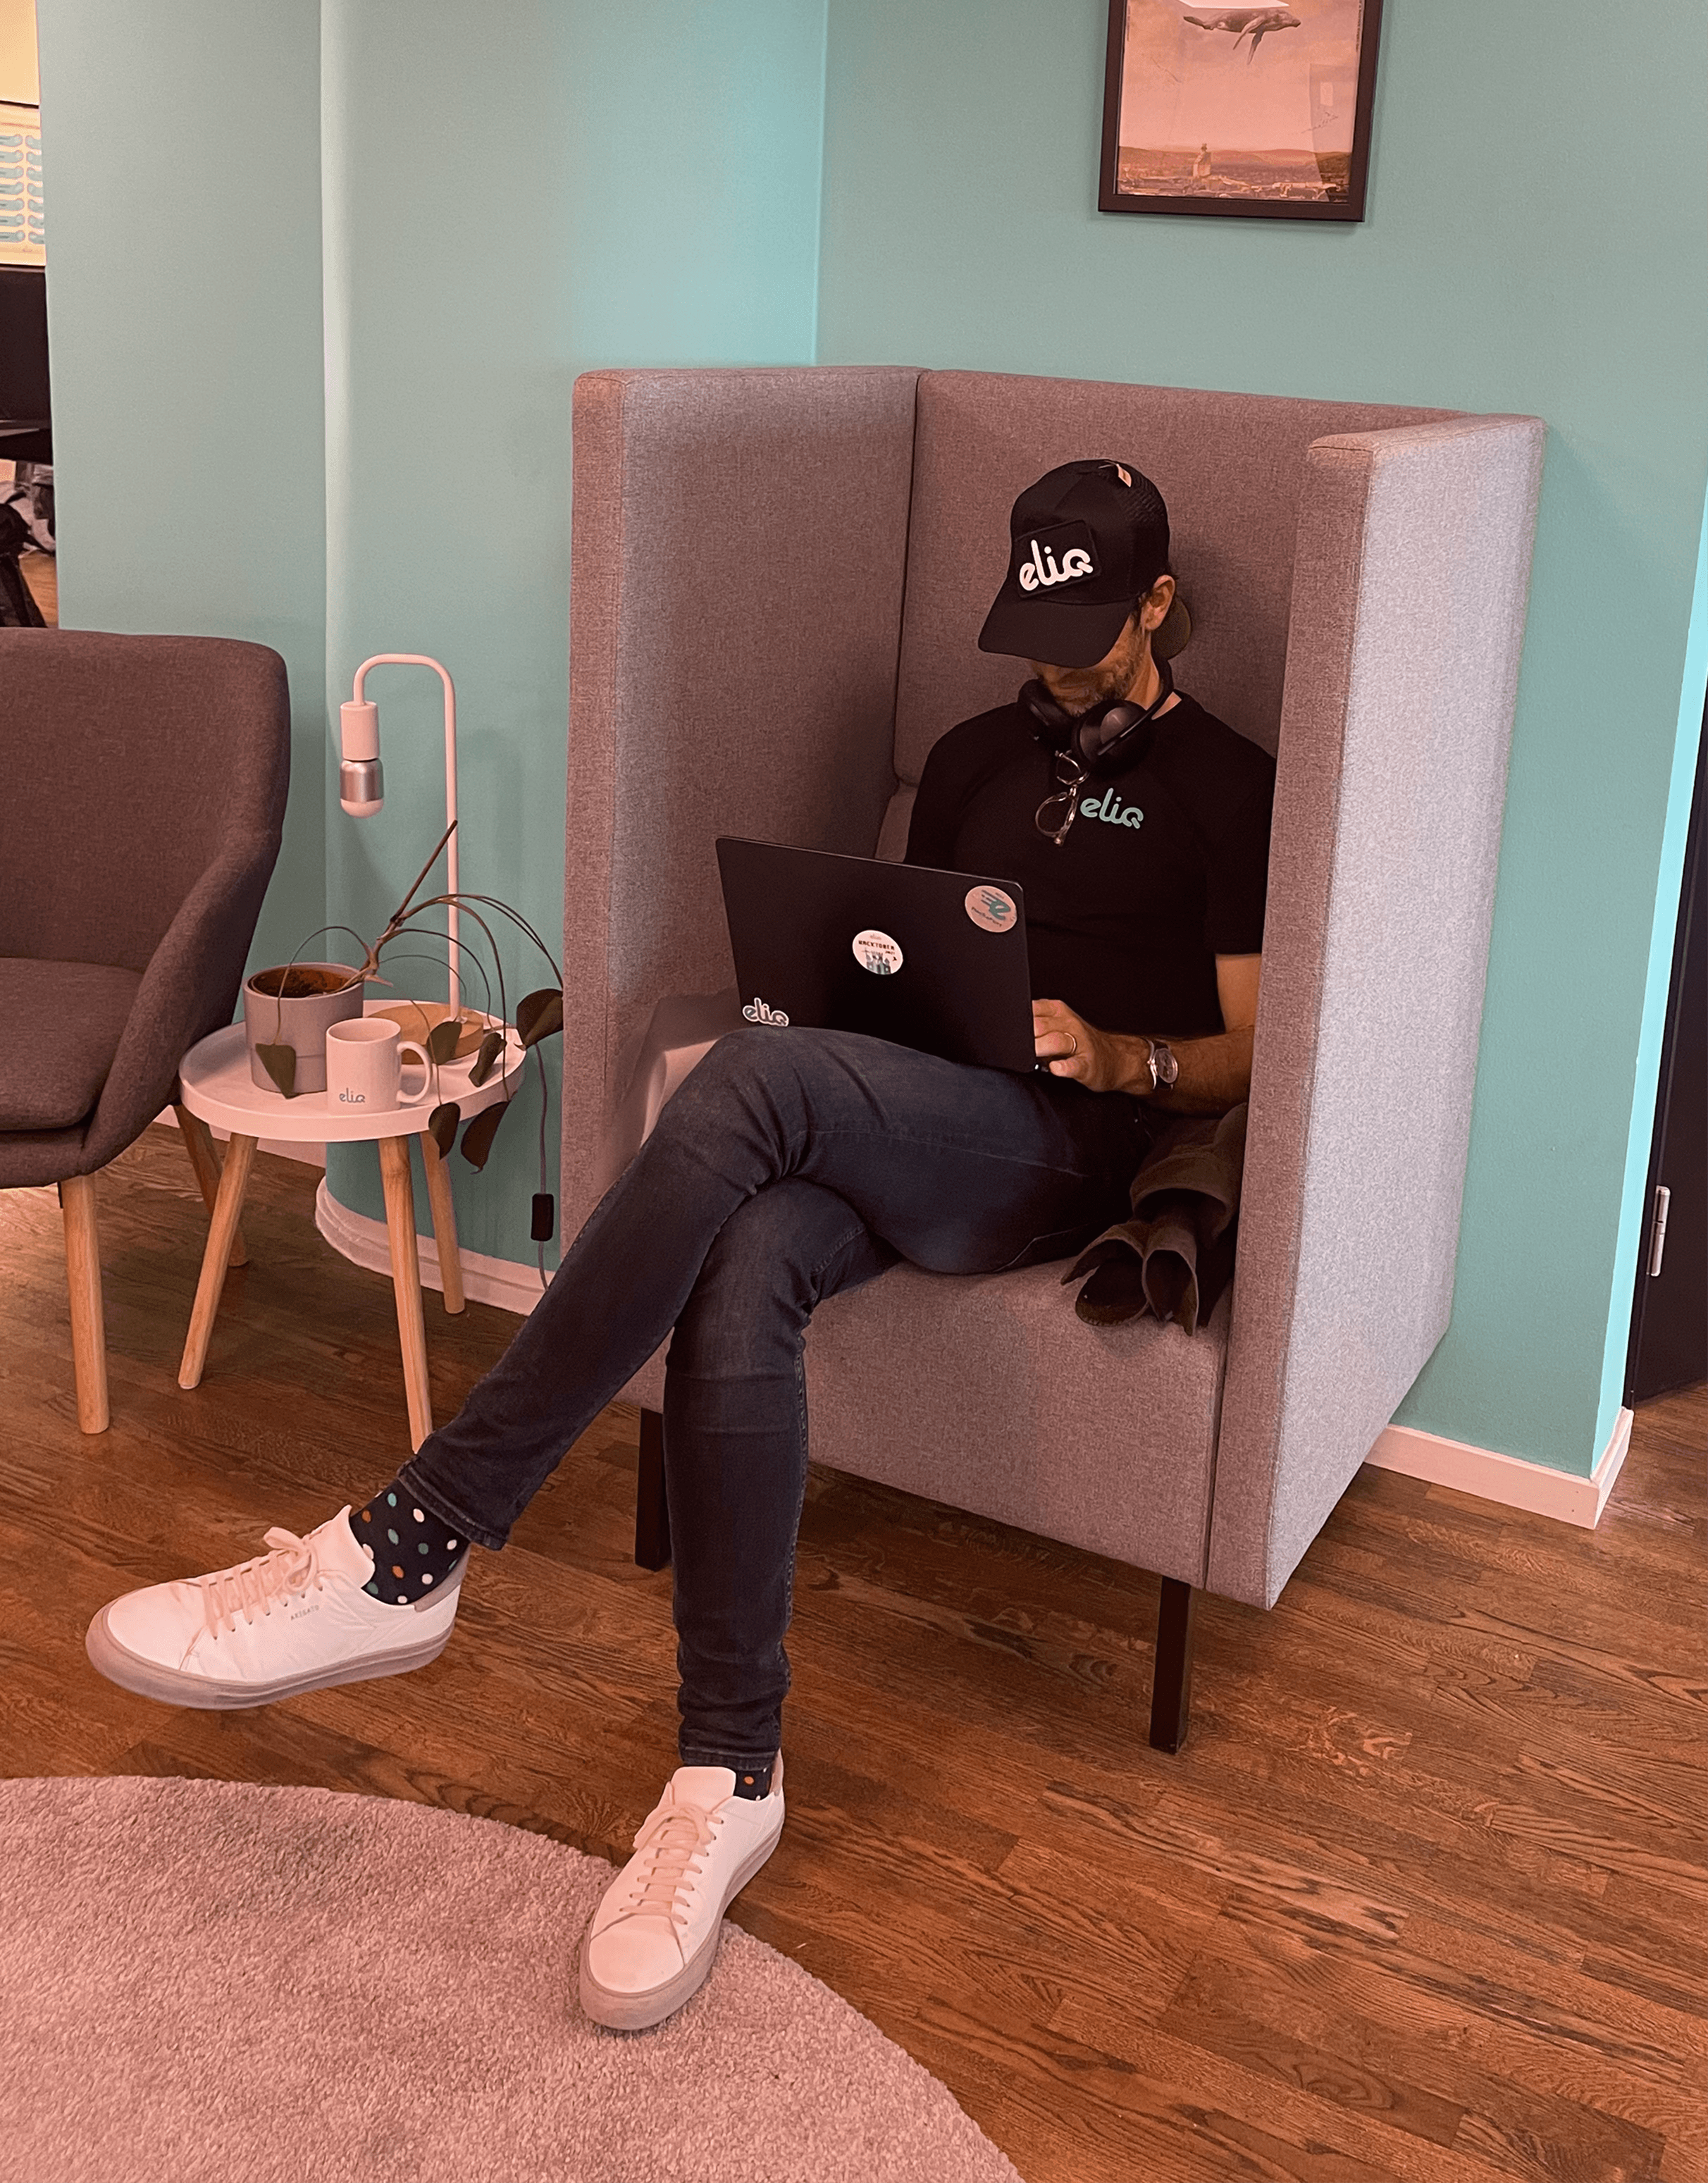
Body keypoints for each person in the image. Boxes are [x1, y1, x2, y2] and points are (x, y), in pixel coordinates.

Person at [85, 459, 1275, 2034]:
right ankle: (730, 1767)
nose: (1054, 663)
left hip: (1068, 1140)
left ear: (1160, 604)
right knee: (755, 1246)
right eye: (1034, 628)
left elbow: (1256, 1044)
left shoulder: (1228, 784)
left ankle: (415, 1538)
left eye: (1087, 631)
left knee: (749, 1080)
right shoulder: (977, 755)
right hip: (907, 1091)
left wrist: (1122, 1057)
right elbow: (899, 949)